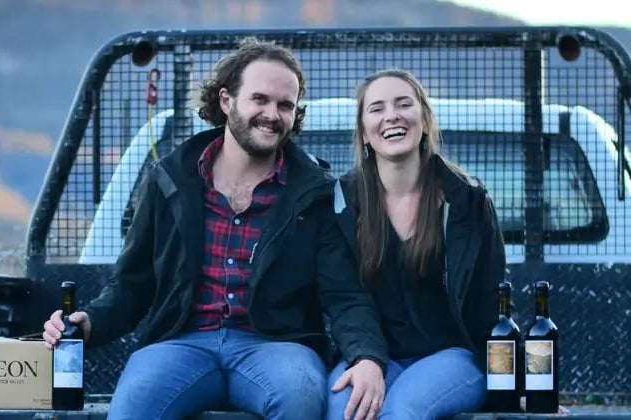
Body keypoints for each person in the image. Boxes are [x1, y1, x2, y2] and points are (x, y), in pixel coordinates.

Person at [42, 38, 387, 420]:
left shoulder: (315, 193)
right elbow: (132, 284)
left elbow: (344, 293)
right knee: (134, 403)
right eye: (259, 99)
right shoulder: (170, 179)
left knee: (301, 395)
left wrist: (367, 356)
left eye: (285, 105)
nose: (272, 114)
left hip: (277, 346)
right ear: (226, 100)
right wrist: (89, 322)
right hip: (181, 343)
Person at [327, 68, 506, 420]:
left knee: (401, 410)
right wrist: (366, 358)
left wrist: (516, 388)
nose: (391, 115)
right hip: (374, 356)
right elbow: (345, 299)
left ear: (424, 120)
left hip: (453, 357)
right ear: (363, 132)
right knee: (342, 410)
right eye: (377, 108)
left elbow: (493, 303)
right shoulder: (341, 203)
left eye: (403, 104)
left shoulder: (468, 201)